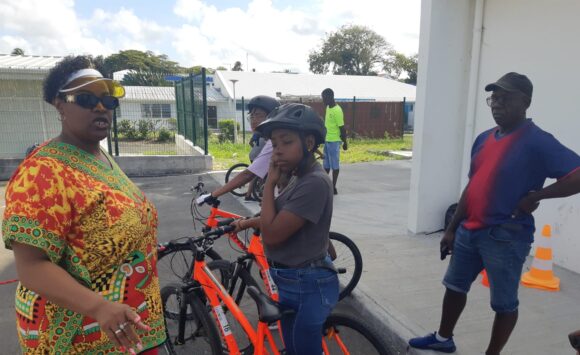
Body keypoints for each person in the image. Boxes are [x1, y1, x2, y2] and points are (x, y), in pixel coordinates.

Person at [2, 56, 166, 354]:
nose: (100, 106)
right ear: (59, 104)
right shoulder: (43, 171)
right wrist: (99, 307)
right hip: (77, 333)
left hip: (126, 325)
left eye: (108, 99)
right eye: (86, 97)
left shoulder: (101, 157)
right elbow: (31, 266)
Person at [409, 72, 580, 354]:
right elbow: (472, 186)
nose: (497, 104)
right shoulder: (484, 138)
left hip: (506, 236)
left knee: (503, 303)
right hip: (469, 231)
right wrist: (452, 228)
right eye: (493, 98)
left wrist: (537, 196)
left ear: (525, 102)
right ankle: (443, 338)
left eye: (505, 98)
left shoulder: (537, 141)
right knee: (454, 286)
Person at [229, 103, 339, 355]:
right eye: (274, 144)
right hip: (293, 281)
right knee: (293, 347)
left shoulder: (314, 182)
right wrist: (245, 222)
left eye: (286, 142)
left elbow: (272, 234)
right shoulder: (299, 176)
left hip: (307, 283)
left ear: (309, 142)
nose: (277, 151)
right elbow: (274, 217)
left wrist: (268, 184)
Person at [197, 95, 280, 203]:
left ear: (271, 117)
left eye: (258, 115)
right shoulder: (268, 140)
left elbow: (247, 175)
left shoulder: (273, 143)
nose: (253, 120)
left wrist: (213, 195)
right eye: (252, 116)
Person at [321, 88, 347, 195]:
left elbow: (342, 128)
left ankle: (333, 187)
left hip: (334, 142)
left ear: (330, 97)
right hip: (327, 140)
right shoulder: (328, 107)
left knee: (335, 165)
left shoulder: (337, 110)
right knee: (326, 165)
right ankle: (325, 184)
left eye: (324, 98)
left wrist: (345, 142)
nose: (323, 101)